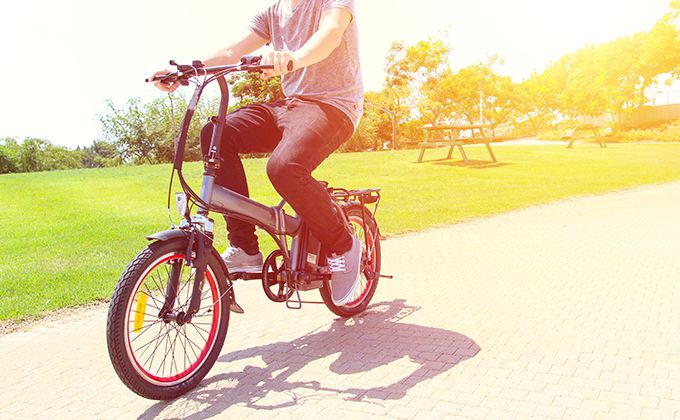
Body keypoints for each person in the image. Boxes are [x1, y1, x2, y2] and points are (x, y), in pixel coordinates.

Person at [150, 0, 364, 305]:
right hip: (289, 105)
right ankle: (245, 248)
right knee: (216, 134)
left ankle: (344, 245)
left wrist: (294, 58)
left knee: (284, 168)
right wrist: (187, 69)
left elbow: (330, 33)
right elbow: (230, 52)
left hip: (333, 106)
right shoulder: (273, 12)